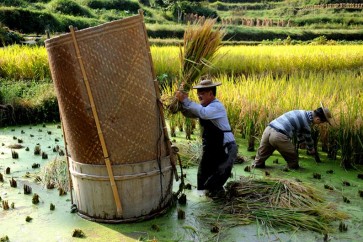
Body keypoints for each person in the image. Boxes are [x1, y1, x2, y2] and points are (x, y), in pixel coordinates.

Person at [175, 79, 237, 194]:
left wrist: (185, 100)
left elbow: (203, 113)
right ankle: (203, 196)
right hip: (211, 148)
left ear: (211, 93)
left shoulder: (216, 107)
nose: (199, 95)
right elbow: (190, 113)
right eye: (198, 92)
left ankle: (216, 200)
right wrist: (180, 105)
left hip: (226, 147)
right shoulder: (204, 107)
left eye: (202, 92)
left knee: (219, 175)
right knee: (202, 174)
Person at [252, 104, 332, 169]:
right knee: (293, 159)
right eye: (320, 122)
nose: (319, 124)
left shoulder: (301, 113)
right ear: (317, 119)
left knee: (260, 159)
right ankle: (290, 176)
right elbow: (308, 138)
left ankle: (256, 168)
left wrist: (301, 141)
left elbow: (298, 130)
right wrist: (311, 150)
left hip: (268, 130)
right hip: (278, 136)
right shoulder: (306, 123)